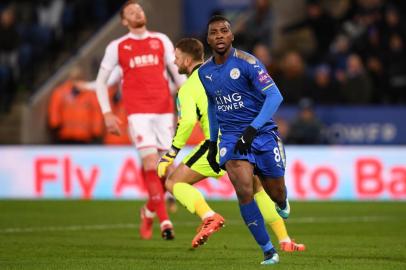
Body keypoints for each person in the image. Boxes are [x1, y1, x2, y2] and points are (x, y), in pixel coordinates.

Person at [157, 38, 305, 252]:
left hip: (217, 144)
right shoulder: (219, 73)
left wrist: (171, 153)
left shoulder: (188, 87)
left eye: (177, 57)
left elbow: (188, 121)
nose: (174, 61)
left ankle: (208, 216)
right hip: (243, 139)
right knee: (257, 188)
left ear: (187, 60)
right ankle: (284, 240)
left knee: (173, 182)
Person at [198, 15, 290, 265]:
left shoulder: (248, 62)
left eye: (224, 31)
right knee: (244, 189)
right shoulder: (204, 72)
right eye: (213, 32)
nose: (219, 35)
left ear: (231, 36)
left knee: (276, 192)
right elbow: (213, 107)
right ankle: (268, 250)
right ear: (208, 38)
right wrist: (213, 143)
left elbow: (274, 97)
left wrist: (252, 129)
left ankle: (282, 201)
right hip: (230, 137)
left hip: (261, 133)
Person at [95, 0, 186, 240]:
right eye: (131, 12)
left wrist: (188, 103)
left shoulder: (161, 40)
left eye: (140, 9)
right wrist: (107, 113)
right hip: (138, 113)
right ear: (124, 21)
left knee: (169, 171)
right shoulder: (118, 46)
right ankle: (165, 222)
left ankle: (147, 211)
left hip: (164, 111)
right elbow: (101, 82)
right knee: (149, 164)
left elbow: (178, 75)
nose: (138, 12)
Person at [48, 66, 103, 144]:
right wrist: (55, 124)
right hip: (65, 135)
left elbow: (96, 112)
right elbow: (54, 111)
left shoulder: (90, 94)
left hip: (84, 137)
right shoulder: (61, 92)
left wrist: (96, 131)